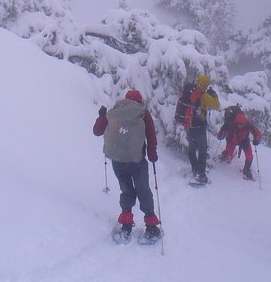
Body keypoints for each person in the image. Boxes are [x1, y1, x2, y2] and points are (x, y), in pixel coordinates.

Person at [94, 89, 161, 240]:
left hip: (118, 160)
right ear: (139, 101)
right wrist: (152, 154)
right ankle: (151, 226)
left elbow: (97, 131)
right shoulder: (143, 113)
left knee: (126, 190)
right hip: (137, 161)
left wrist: (101, 116)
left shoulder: (114, 112)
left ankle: (126, 225)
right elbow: (151, 136)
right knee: (143, 190)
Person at [177, 74, 220, 184]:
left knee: (192, 148)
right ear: (206, 85)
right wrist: (214, 96)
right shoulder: (204, 96)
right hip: (200, 126)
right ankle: (201, 175)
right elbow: (217, 106)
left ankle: (195, 168)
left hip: (189, 126)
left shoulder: (190, 92)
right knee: (202, 149)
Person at [217, 112, 261, 180]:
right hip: (232, 140)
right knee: (228, 155)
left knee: (249, 156)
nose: (241, 126)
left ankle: (246, 170)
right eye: (240, 124)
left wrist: (257, 139)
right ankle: (226, 154)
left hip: (244, 140)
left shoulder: (247, 124)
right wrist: (221, 135)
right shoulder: (231, 124)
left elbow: (257, 132)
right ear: (236, 122)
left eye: (242, 124)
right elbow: (223, 131)